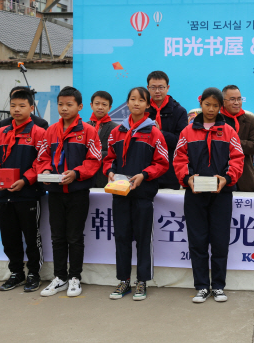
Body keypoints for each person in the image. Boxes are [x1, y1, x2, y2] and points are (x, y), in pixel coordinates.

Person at [173, 87, 244, 303]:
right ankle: (202, 286)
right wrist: (188, 178)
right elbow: (179, 158)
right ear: (200, 103)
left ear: (220, 106)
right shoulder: (187, 132)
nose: (211, 109)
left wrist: (227, 178)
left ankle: (219, 286)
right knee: (198, 240)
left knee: (220, 241)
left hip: (221, 194)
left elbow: (237, 158)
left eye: (215, 105)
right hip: (195, 194)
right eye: (207, 105)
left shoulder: (229, 131)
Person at [103, 87, 169, 301]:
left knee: (142, 238)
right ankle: (123, 281)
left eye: (141, 100)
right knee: (121, 237)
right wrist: (109, 171)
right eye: (132, 99)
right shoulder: (117, 132)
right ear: (128, 103)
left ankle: (142, 281)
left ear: (148, 104)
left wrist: (144, 175)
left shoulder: (154, 132)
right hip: (120, 193)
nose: (136, 103)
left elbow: (162, 162)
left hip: (143, 194)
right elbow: (108, 158)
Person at [37, 86, 102, 297]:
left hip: (78, 192)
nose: (63, 109)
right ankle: (60, 277)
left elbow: (94, 160)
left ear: (80, 107)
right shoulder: (51, 130)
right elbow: (43, 156)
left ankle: (75, 277)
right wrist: (45, 169)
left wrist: (76, 173)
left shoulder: (89, 131)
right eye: (60, 105)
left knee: (74, 237)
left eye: (69, 105)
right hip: (55, 192)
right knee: (57, 237)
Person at [0, 90, 46, 293]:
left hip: (28, 194)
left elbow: (42, 161)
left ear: (31, 108)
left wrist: (25, 180)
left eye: (21, 106)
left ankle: (34, 274)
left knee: (32, 236)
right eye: (13, 106)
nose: (17, 109)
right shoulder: (1, 132)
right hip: (4, 195)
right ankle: (16, 273)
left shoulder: (38, 132)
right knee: (9, 236)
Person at [146, 70, 188, 190]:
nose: (157, 91)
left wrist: (159, 133)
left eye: (161, 87)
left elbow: (181, 142)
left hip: (170, 169)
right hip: (146, 168)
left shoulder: (179, 111)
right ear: (148, 88)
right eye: (153, 87)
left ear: (167, 88)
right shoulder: (142, 110)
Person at [220, 84, 254, 192]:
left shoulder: (250, 120)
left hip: (244, 175)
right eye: (232, 99)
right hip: (220, 175)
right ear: (223, 101)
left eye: (239, 99)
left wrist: (230, 141)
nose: (237, 102)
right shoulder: (216, 120)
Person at [86, 90, 118, 188]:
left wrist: (92, 154)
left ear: (110, 108)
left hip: (104, 176)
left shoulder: (115, 128)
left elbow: (115, 152)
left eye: (104, 104)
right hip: (85, 176)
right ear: (91, 105)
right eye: (97, 103)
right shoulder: (83, 127)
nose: (100, 107)